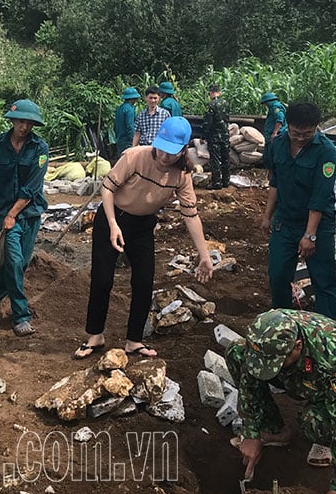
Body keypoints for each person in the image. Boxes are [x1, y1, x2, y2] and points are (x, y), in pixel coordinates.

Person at [73, 117, 214, 359]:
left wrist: (204, 255)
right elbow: (108, 189)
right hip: (112, 217)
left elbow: (191, 215)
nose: (163, 157)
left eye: (171, 152)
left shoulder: (182, 175)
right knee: (102, 279)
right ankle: (95, 335)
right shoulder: (135, 156)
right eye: (161, 148)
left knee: (143, 282)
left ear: (182, 150)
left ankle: (134, 341)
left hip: (143, 226)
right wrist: (113, 225)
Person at [227, 309, 336, 494]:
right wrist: (251, 431)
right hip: (300, 375)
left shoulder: (333, 357)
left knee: (314, 422)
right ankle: (273, 429)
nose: (267, 369)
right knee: (236, 353)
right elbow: (249, 377)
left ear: (297, 346)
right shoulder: (267, 333)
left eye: (276, 362)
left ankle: (327, 443)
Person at [0, 100, 49, 337]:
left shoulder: (39, 148)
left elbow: (31, 188)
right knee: (15, 261)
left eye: (29, 122)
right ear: (13, 121)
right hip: (5, 214)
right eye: (20, 121)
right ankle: (21, 316)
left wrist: (12, 215)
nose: (24, 126)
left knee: (20, 263)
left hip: (29, 213)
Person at [260, 102, 336, 319]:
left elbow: (320, 197)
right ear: (288, 125)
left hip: (318, 225)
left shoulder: (326, 151)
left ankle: (328, 331)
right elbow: (275, 182)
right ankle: (282, 323)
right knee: (277, 276)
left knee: (323, 280)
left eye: (307, 133)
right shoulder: (279, 143)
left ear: (316, 128)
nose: (301, 138)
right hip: (284, 221)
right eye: (296, 133)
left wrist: (309, 235)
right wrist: (267, 216)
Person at [203, 83, 230, 189]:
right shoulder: (226, 103)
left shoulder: (210, 105)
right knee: (225, 158)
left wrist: (203, 136)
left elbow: (207, 123)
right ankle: (226, 181)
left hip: (214, 136)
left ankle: (216, 183)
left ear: (211, 93)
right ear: (220, 92)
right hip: (225, 135)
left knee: (215, 159)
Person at [261, 91, 287, 166]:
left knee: (274, 158)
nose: (265, 105)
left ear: (268, 102)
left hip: (276, 137)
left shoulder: (276, 107)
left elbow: (280, 119)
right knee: (268, 158)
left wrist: (274, 133)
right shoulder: (273, 108)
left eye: (265, 103)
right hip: (270, 138)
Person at [114, 87, 140, 157]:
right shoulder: (129, 109)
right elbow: (130, 126)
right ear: (133, 99)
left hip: (120, 140)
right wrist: (133, 142)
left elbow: (115, 126)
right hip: (127, 141)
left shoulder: (120, 108)